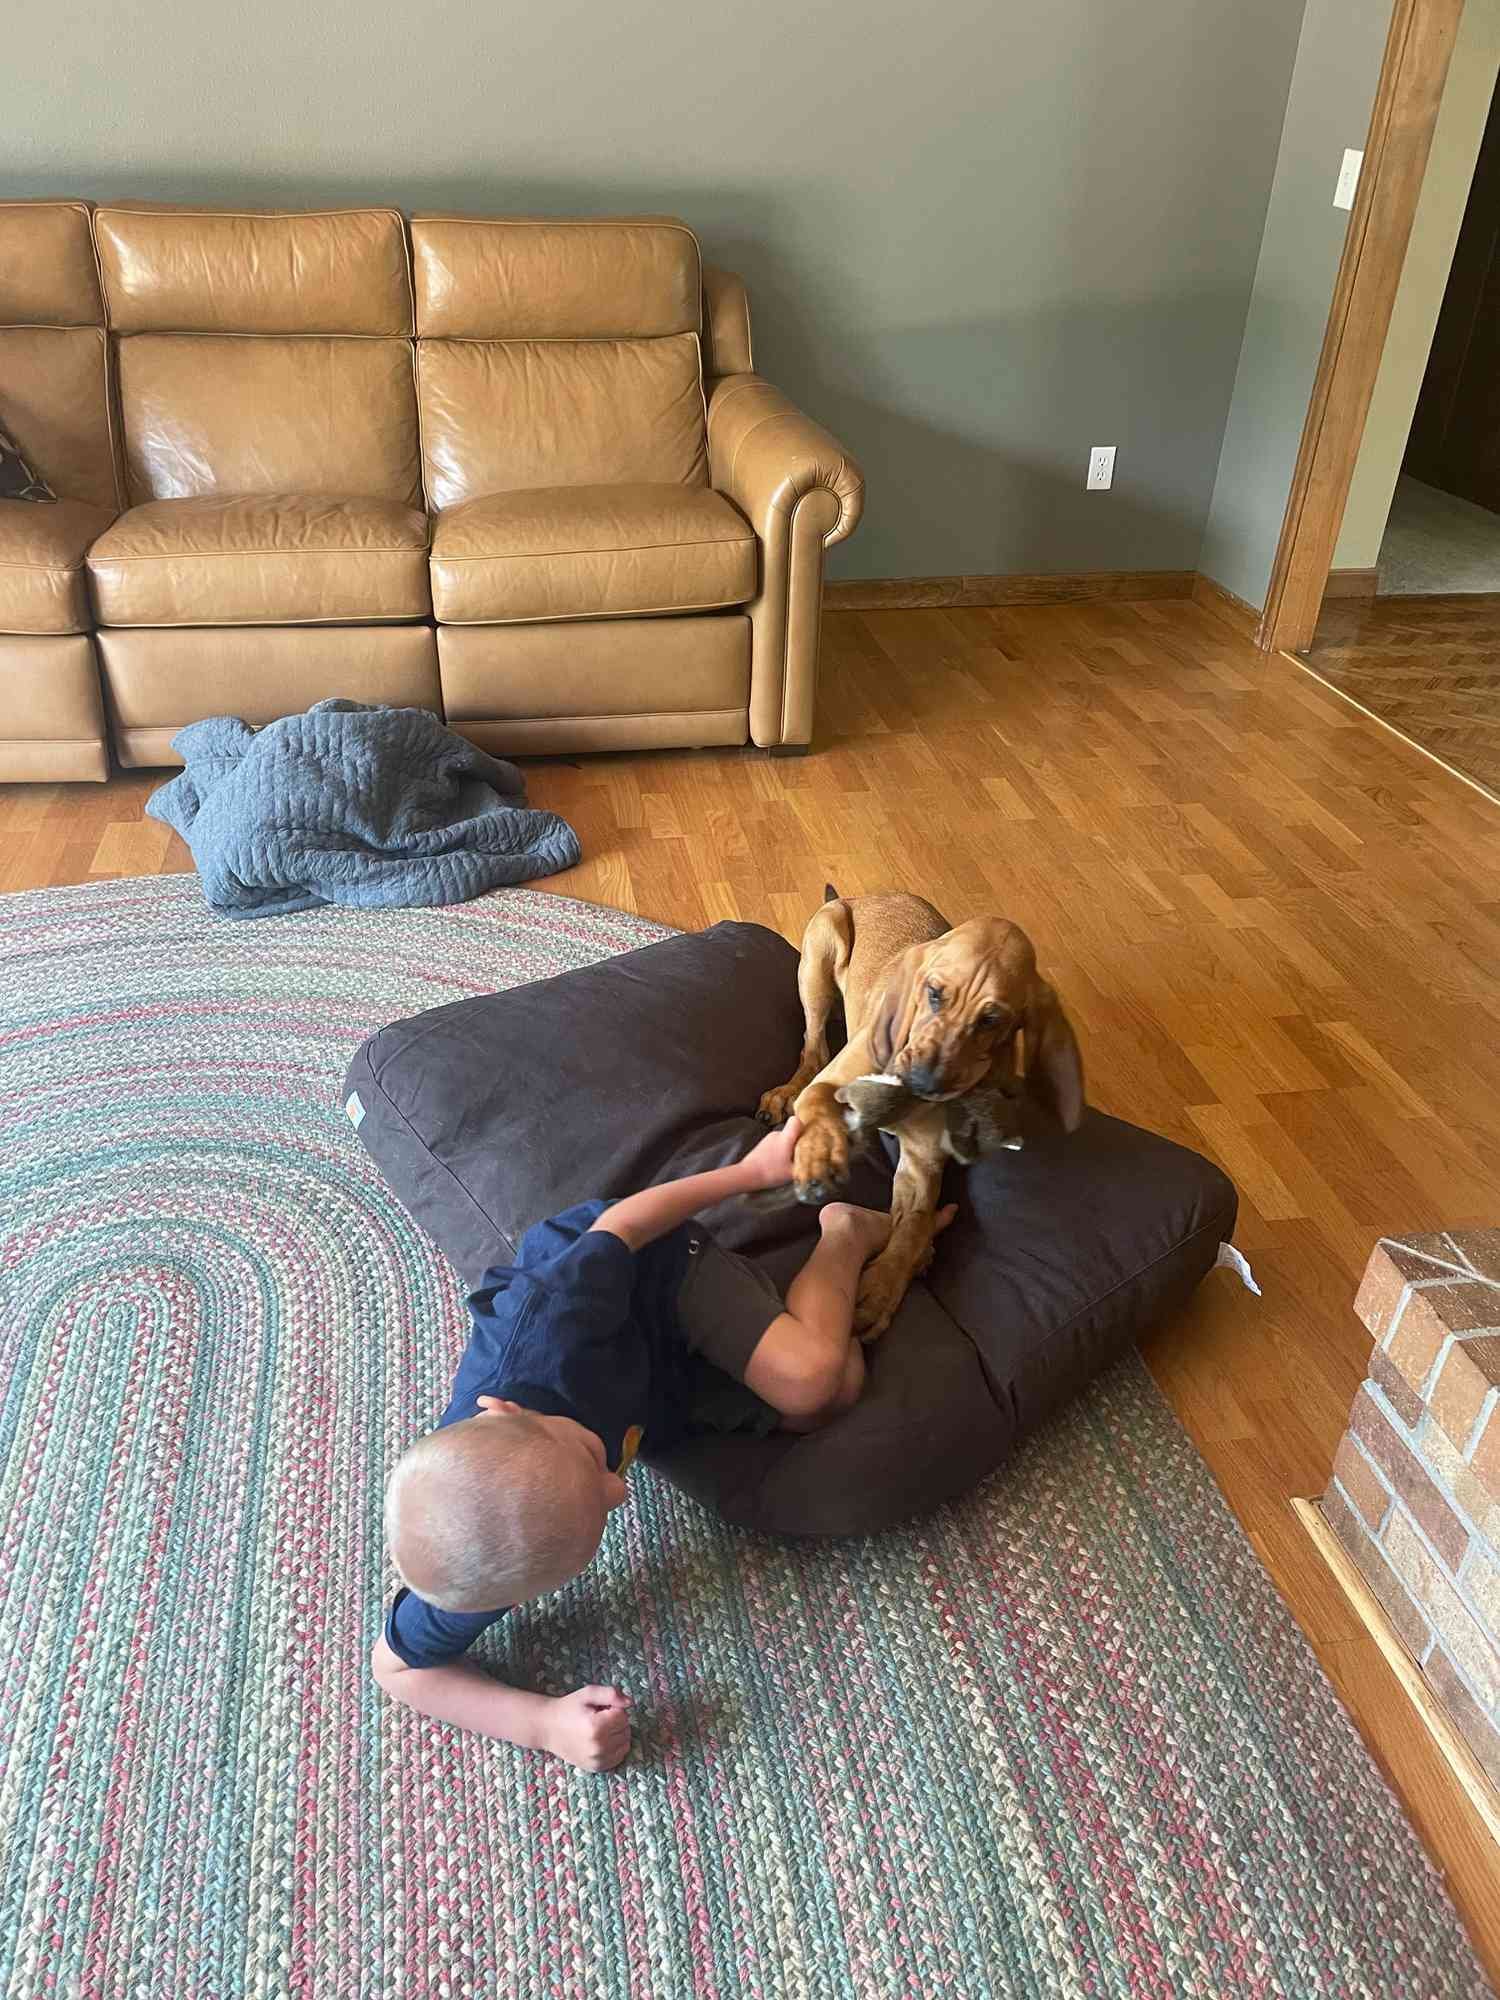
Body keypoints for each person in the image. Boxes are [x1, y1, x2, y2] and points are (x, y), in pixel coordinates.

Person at [372, 1119, 954, 1770]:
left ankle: (841, 1232)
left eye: (598, 1466)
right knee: (837, 1395)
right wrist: (542, 1725)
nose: (623, 1486)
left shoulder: (549, 1323)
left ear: (504, 1408)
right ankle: (824, 1272)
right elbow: (397, 1671)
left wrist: (753, 1174)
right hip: (648, 1395)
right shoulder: (490, 1562)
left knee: (813, 1378)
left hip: (653, 1275)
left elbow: (625, 1224)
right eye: (607, 1507)